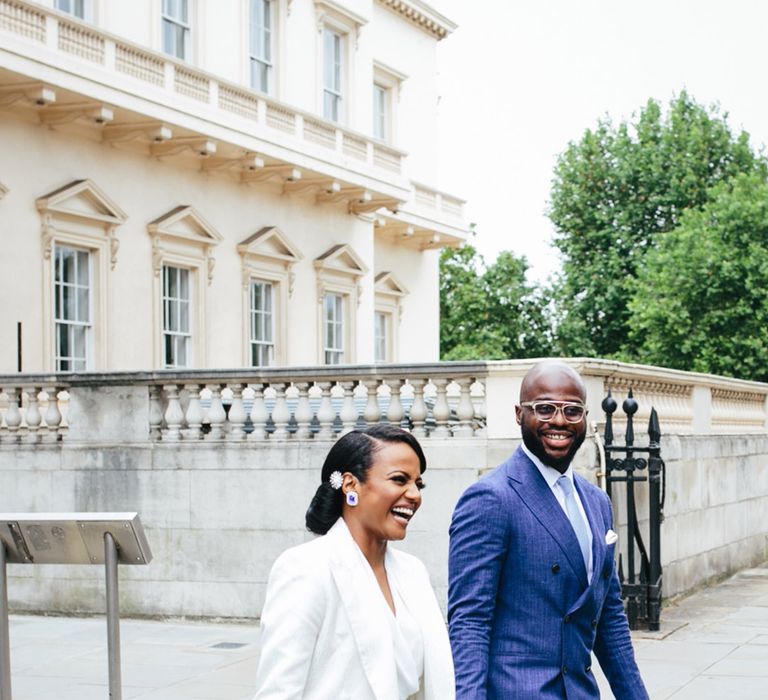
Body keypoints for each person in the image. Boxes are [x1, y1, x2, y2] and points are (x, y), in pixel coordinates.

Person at [448, 361, 648, 699]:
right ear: (518, 413)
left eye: (572, 411)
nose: (558, 421)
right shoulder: (491, 498)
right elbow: (469, 621)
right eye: (544, 409)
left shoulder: (597, 502)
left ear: (585, 417)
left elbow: (609, 618)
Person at [253, 424, 455, 700]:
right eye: (399, 479)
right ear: (350, 485)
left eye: (418, 484)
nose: (415, 495)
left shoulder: (413, 572)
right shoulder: (305, 569)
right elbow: (278, 693)